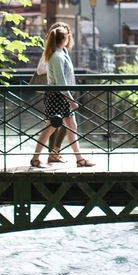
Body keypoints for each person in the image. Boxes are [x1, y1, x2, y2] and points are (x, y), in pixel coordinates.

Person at [31, 22, 94, 168]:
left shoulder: (62, 53)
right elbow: (61, 82)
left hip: (61, 96)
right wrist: (71, 101)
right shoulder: (56, 57)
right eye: (68, 37)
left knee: (71, 126)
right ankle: (35, 158)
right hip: (57, 97)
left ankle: (80, 159)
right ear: (64, 39)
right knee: (50, 128)